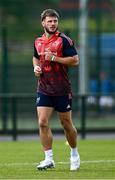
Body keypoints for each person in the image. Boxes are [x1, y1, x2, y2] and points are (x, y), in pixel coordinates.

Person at [32, 9, 80, 171]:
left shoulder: (64, 40)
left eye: (55, 21)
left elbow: (75, 61)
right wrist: (36, 68)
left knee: (66, 124)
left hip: (61, 89)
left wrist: (56, 58)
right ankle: (48, 159)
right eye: (49, 21)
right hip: (44, 88)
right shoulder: (38, 41)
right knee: (42, 122)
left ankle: (74, 153)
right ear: (43, 23)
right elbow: (36, 57)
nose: (53, 24)